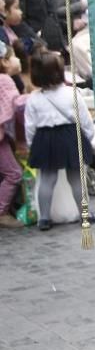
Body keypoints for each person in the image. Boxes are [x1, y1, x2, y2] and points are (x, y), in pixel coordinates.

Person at [24, 50, 95, 231]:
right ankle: (85, 215)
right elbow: (85, 119)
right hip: (70, 136)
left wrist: (31, 144)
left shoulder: (33, 99)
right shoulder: (70, 93)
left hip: (45, 137)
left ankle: (44, 218)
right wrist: (87, 137)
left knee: (47, 179)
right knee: (76, 179)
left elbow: (30, 126)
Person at [0, 45, 25, 228]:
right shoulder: (5, 81)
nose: (17, 59)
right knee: (13, 173)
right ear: (4, 61)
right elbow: (15, 108)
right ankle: (1, 212)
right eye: (13, 56)